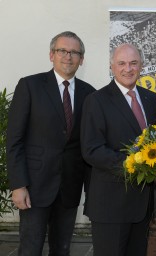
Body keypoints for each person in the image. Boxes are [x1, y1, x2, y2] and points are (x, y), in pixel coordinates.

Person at [6, 31, 95, 255]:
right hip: (34, 187)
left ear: (81, 59)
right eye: (62, 51)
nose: (68, 56)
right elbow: (15, 140)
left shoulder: (90, 94)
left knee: (62, 249)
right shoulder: (30, 86)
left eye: (74, 52)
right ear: (51, 55)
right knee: (30, 248)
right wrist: (18, 185)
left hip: (69, 187)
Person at [81, 44, 156, 256]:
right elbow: (92, 149)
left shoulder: (151, 99)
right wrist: (132, 164)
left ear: (141, 66)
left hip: (142, 204)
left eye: (133, 63)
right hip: (110, 204)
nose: (128, 68)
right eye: (122, 63)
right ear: (112, 66)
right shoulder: (96, 101)